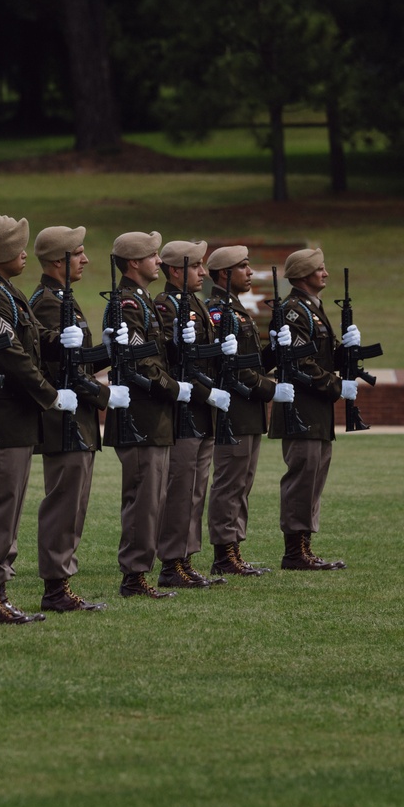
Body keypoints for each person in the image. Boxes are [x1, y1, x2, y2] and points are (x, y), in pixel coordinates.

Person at [0, 215, 82, 624]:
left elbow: (28, 342)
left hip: (14, 418)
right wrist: (51, 396)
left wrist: (60, 341)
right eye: (17, 247)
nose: (22, 253)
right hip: (1, 417)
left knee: (8, 507)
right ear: (0, 253)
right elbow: (11, 358)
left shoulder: (6, 292)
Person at [28, 226, 132, 613]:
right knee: (64, 505)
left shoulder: (60, 298)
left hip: (78, 421)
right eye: (80, 253)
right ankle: (56, 589)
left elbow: (78, 361)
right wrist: (106, 394)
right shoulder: (48, 303)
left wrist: (107, 350)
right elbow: (62, 373)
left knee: (74, 505)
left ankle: (61, 584)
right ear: (59, 261)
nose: (86, 260)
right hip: (65, 421)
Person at [103, 231, 195, 600]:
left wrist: (176, 343)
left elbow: (155, 354)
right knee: (143, 499)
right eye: (153, 256)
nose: (159, 261)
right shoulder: (126, 303)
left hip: (154, 417)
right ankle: (134, 576)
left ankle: (142, 572)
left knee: (153, 498)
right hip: (140, 418)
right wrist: (177, 389)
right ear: (134, 263)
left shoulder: (139, 300)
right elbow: (140, 365)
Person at [204, 244, 295, 576]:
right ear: (225, 274)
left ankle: (234, 549)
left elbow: (250, 363)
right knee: (230, 482)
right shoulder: (218, 310)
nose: (249, 271)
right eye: (243, 267)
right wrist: (272, 389)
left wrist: (275, 348)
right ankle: (224, 553)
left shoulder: (236, 308)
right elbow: (232, 369)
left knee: (242, 482)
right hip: (234, 410)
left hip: (249, 409)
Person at [267, 247, 358, 570]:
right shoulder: (295, 311)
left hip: (316, 410)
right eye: (320, 269)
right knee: (303, 478)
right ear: (304, 274)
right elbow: (300, 363)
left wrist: (345, 351)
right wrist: (337, 387)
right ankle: (294, 552)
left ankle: (304, 546)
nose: (326, 273)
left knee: (315, 477)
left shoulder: (313, 309)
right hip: (301, 408)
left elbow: (320, 357)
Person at [153, 240, 232, 589]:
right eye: (196, 266)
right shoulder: (166, 306)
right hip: (184, 411)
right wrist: (206, 393)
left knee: (196, 489)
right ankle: (172, 564)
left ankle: (185, 559)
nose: (203, 272)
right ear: (175, 271)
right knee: (181, 488)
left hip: (202, 412)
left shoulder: (196, 303)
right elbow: (174, 364)